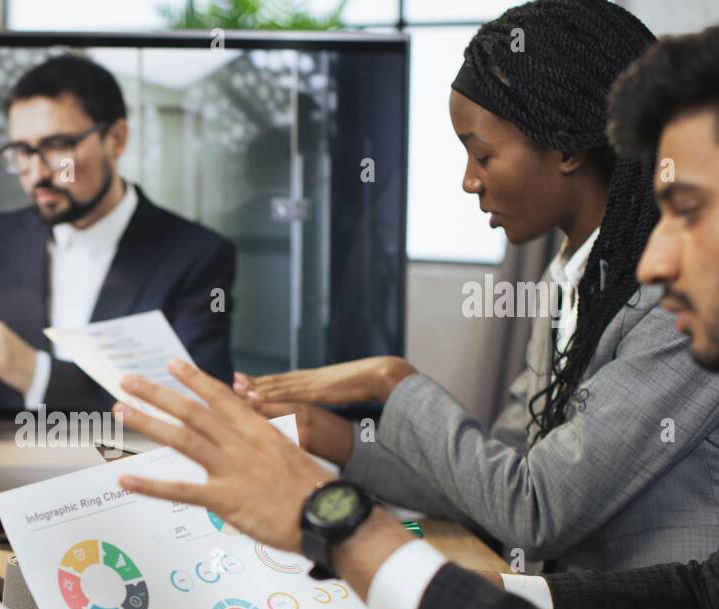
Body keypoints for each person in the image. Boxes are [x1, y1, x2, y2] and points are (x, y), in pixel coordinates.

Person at [112, 23, 719, 609]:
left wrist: (383, 407)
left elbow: (533, 508)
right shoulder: (581, 275)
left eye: (692, 211)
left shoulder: (661, 313)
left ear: (568, 147)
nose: (657, 258)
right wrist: (337, 443)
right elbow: (505, 478)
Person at [238, 0, 719, 572]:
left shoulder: (679, 308)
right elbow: (490, 484)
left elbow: (533, 509)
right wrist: (327, 433)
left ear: (566, 147)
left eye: (483, 155)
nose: (470, 182)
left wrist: (392, 380)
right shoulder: (570, 279)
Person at [0, 54, 235, 412]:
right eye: (21, 151)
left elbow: (203, 407)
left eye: (57, 147)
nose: (35, 173)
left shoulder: (196, 255)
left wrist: (35, 372)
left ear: (116, 139)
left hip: (127, 463)